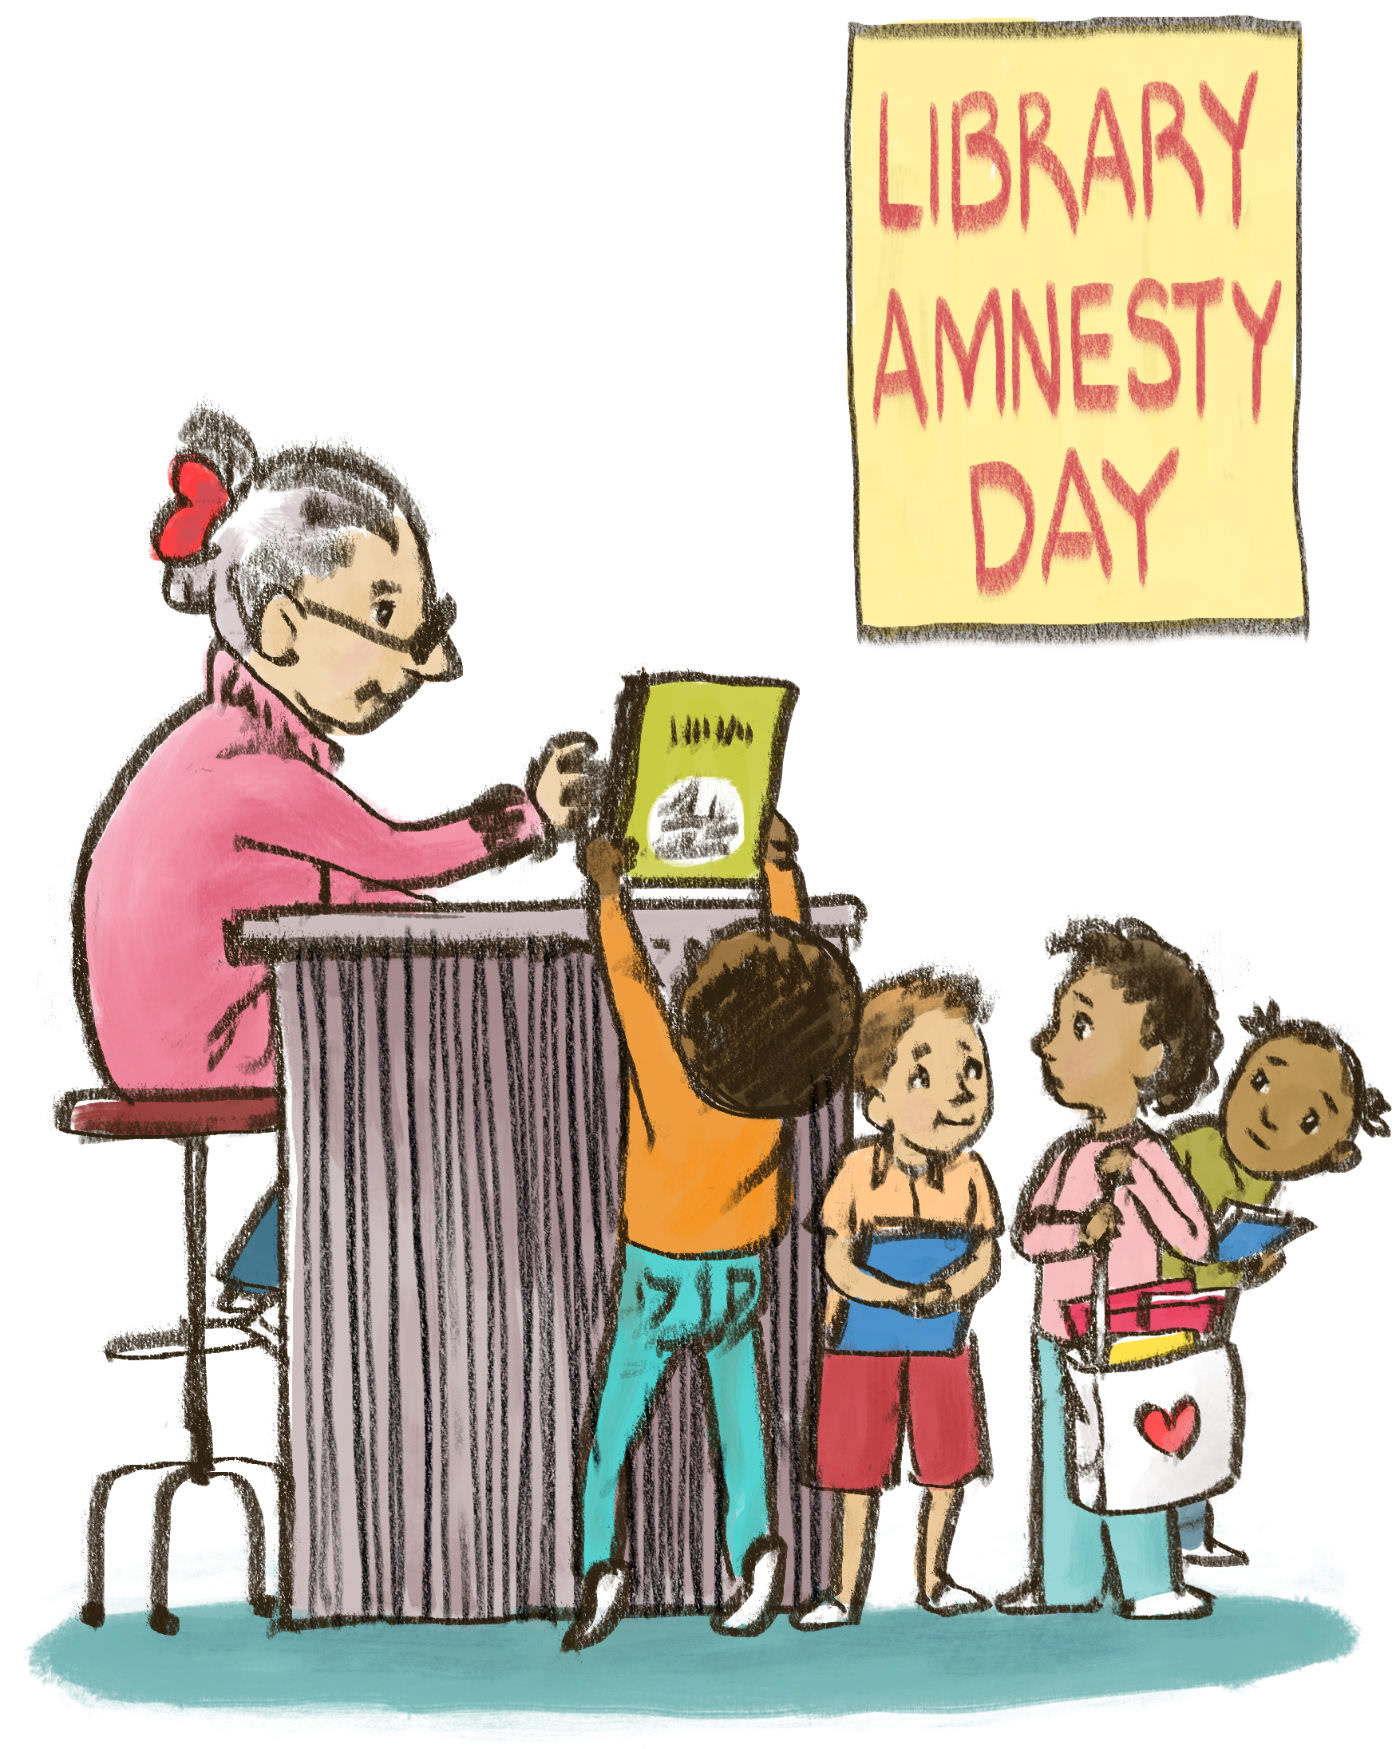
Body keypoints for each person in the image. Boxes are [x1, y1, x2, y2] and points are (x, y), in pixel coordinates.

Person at [75, 406, 596, 1345]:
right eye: (389, 618)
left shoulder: (241, 749)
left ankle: (284, 1273)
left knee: (420, 1046)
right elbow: (396, 857)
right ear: (281, 626)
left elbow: (345, 894)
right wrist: (531, 817)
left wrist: (447, 932)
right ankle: (300, 1281)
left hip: (198, 1021)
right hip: (199, 1039)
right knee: (415, 1067)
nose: (423, 662)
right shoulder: (251, 769)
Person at [566, 818, 860, 1650]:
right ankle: (756, 1547)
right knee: (740, 1426)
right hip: (738, 1274)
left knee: (612, 1438)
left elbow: (626, 974)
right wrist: (778, 868)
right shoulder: (774, 1086)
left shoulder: (669, 1071)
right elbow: (794, 968)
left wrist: (609, 889)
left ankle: (601, 1569)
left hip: (659, 1276)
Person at [998, 918, 1218, 1620]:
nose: (1048, 1042)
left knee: (1130, 1456)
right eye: (1059, 1023)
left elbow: (1193, 1234)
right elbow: (1028, 1235)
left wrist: (1140, 1185)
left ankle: (1152, 1581)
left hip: (1126, 1330)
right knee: (1063, 1458)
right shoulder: (1065, 1155)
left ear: (1150, 1052)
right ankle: (1063, 1580)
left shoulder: (1151, 1154)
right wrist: (1080, 1230)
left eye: (1079, 1026)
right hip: (1056, 1331)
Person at [793, 971, 1001, 1631]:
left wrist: (948, 1289)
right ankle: (843, 1591)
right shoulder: (857, 1168)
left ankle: (934, 1578)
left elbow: (986, 1255)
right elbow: (835, 1259)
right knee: (856, 1476)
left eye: (971, 1068)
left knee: (947, 1467)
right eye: (924, 1075)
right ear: (876, 1099)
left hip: (943, 1341)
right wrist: (895, 1293)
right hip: (860, 1344)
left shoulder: (971, 1175)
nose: (956, 1090)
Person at [1163, 1002, 1390, 1565]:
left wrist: (1249, 1268)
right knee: (1158, 1428)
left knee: (1204, 1425)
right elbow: (1172, 1248)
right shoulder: (1190, 1148)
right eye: (1261, 1081)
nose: (1269, 1116)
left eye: (1308, 1121)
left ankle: (1190, 1533)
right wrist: (1238, 1269)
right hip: (1154, 1314)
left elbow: (1211, 1255)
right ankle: (1158, 1542)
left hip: (1204, 1326)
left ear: (1336, 1155)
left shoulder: (1263, 1185)